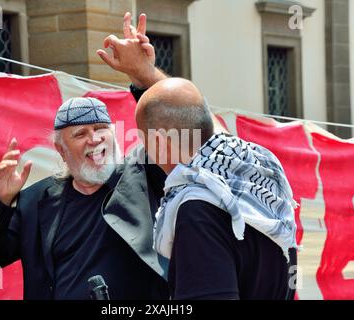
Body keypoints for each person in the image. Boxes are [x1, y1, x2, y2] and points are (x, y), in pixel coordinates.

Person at [0, 14, 171, 300]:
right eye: (80, 134)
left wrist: (144, 76)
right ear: (61, 150)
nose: (95, 138)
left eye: (102, 129)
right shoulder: (34, 201)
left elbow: (175, 123)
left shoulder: (144, 176)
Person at [97, 20, 298, 300]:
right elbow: (187, 115)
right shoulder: (258, 170)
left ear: (160, 143)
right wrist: (145, 73)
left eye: (144, 138)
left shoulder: (199, 208)